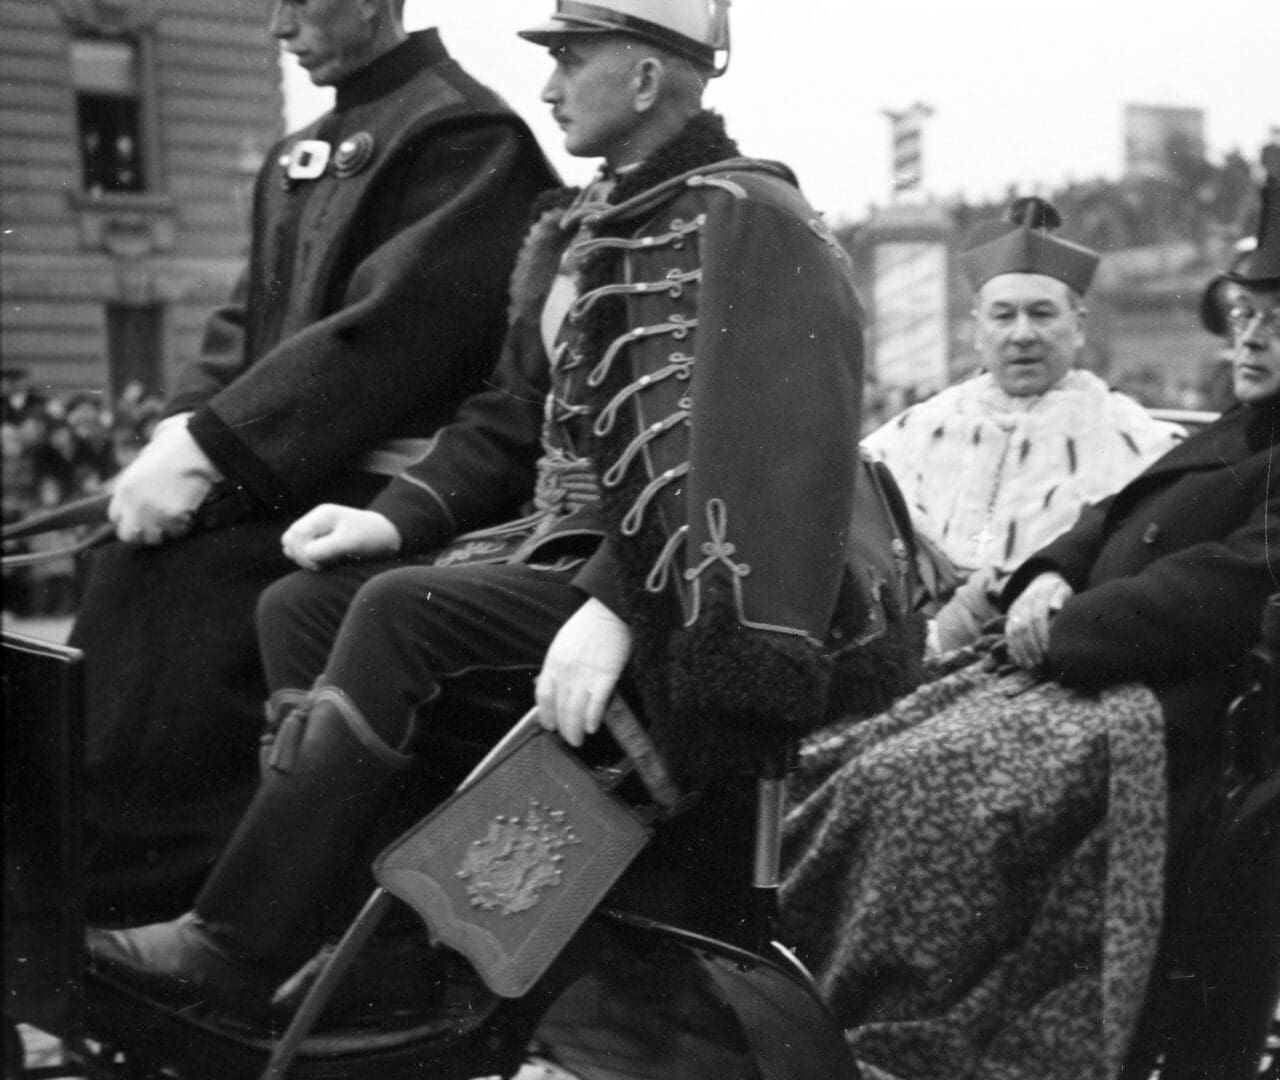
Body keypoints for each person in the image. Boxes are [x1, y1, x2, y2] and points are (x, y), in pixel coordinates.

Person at [86, 0, 924, 1036]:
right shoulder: (574, 227)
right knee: (300, 604)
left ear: (650, 74)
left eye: (571, 59)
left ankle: (230, 946)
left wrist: (620, 603)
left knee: (401, 617)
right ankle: (368, 934)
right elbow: (511, 420)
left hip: (694, 595)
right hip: (550, 558)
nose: (546, 87)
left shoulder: (750, 216)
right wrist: (390, 520)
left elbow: (776, 445)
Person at [779, 184, 1280, 1079]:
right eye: (1246, 313)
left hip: (1159, 705)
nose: (1251, 336)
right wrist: (1051, 572)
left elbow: (1216, 593)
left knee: (917, 792)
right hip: (1081, 662)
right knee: (851, 760)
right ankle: (813, 1003)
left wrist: (1068, 622)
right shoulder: (1260, 419)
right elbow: (1116, 511)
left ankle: (895, 1029)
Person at [71, 0, 556, 922]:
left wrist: (214, 451)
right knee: (124, 561)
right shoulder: (311, 145)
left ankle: (175, 902)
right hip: (291, 473)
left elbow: (387, 336)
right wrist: (177, 435)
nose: (278, 28)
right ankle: (90, 881)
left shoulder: (463, 134)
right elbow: (241, 325)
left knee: (192, 587)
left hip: (392, 495)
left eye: (300, 1)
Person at [862, 197, 1183, 653]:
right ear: (978, 329)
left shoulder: (1142, 442)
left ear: (1079, 325)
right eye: (1003, 315)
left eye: (1042, 313)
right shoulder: (914, 428)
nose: (1023, 334)